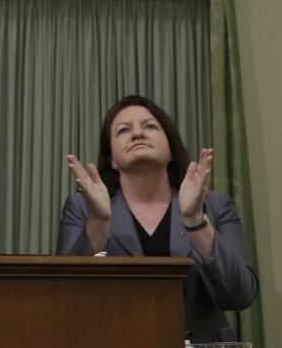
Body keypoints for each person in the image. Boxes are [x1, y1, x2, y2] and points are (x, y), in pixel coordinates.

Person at [57, 94, 259, 342]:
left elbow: (240, 295)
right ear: (111, 159)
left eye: (150, 126)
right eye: (123, 130)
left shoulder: (216, 206)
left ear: (171, 150)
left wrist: (195, 220)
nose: (138, 134)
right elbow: (66, 294)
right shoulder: (82, 208)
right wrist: (99, 221)